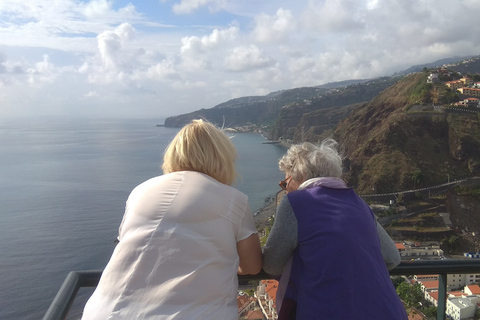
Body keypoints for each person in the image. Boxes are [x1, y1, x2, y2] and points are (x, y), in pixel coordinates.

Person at [82, 119, 262, 320]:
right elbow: (252, 266)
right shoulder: (234, 200)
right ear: (222, 158)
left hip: (106, 311)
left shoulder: (140, 190)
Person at [262, 139, 408, 320]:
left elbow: (272, 264)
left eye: (285, 183)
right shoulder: (359, 203)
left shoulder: (295, 202)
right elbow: (392, 258)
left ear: (301, 175)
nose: (285, 190)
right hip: (388, 311)